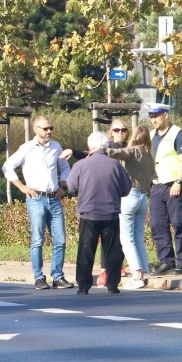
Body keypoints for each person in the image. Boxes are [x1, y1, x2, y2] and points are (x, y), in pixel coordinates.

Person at [2, 116, 74, 290]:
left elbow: (65, 168)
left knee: (60, 240)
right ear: (35, 129)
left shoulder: (56, 147)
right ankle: (39, 277)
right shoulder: (27, 148)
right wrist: (21, 186)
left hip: (54, 198)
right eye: (45, 128)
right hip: (36, 199)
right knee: (37, 240)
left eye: (51, 128)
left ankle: (57, 276)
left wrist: (63, 186)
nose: (49, 131)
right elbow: (7, 166)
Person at [60, 118, 130, 286]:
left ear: (90, 146)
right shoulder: (115, 165)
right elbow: (126, 188)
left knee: (86, 250)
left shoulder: (81, 165)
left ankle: (83, 285)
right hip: (111, 214)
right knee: (112, 250)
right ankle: (113, 285)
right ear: (105, 145)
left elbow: (71, 187)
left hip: (88, 214)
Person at [106, 126, 155, 289]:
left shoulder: (133, 151)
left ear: (134, 136)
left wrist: (101, 149)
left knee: (127, 238)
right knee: (138, 237)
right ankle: (143, 270)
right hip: (143, 198)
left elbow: (116, 153)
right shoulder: (149, 156)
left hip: (129, 196)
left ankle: (136, 274)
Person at [147, 102, 182, 275]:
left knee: (179, 223)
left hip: (173, 185)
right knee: (157, 225)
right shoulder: (151, 135)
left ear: (166, 115)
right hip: (156, 185)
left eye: (156, 115)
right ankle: (166, 261)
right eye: (151, 116)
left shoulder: (178, 134)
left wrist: (178, 182)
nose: (153, 119)